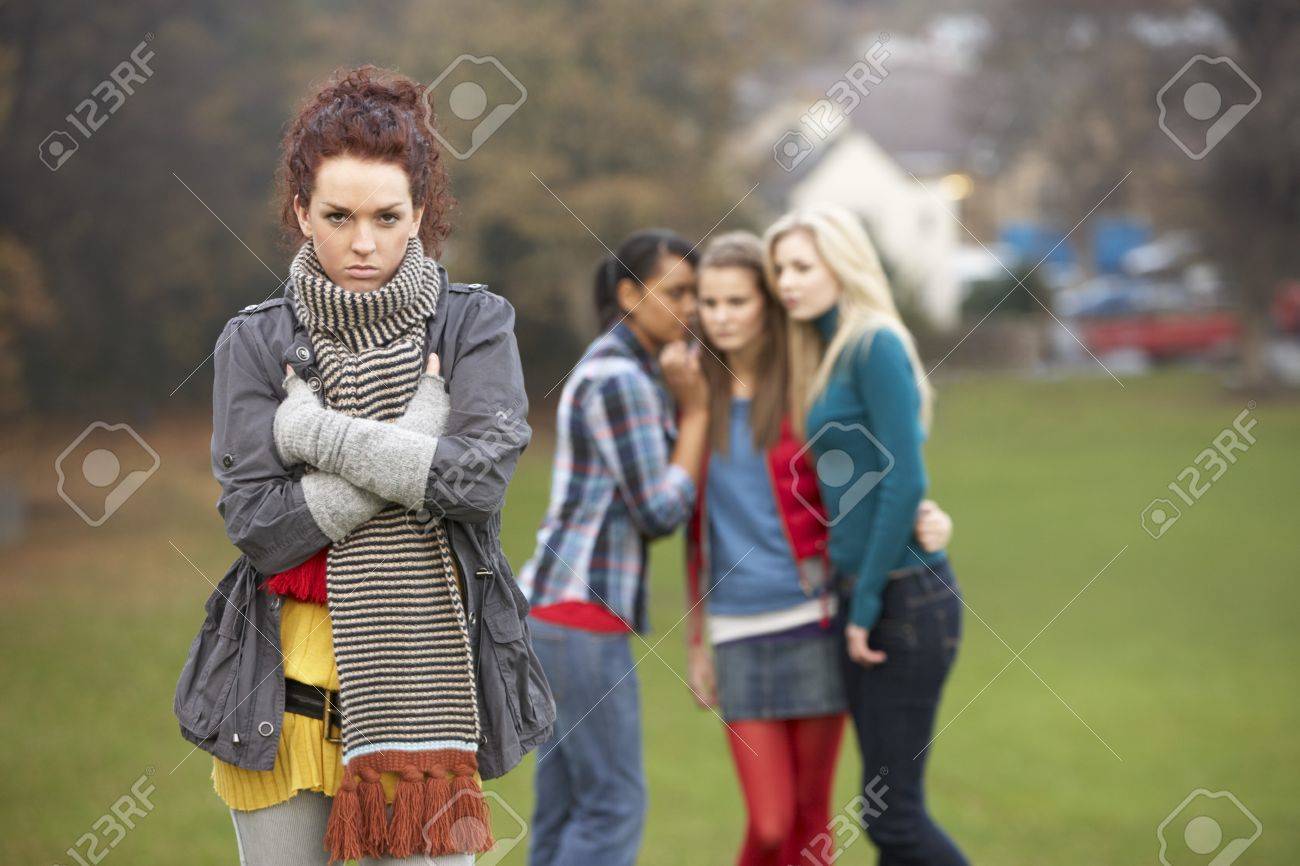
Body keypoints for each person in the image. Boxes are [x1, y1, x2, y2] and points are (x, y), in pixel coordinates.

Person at [173, 65, 553, 866]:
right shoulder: (255, 341)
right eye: (338, 216)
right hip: (275, 705)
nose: (365, 242)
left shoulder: (474, 325)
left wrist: (314, 433)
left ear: (422, 213)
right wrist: (418, 437)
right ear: (301, 212)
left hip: (426, 717)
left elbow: (475, 487)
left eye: (388, 215)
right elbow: (261, 530)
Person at [685, 231, 953, 866]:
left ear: (766, 306)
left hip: (815, 619)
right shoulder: (691, 392)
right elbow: (694, 533)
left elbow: (868, 477)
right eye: (709, 303)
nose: (721, 316)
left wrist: (924, 513)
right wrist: (698, 640)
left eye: (737, 301)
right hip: (737, 629)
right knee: (771, 824)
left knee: (810, 827)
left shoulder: (808, 385)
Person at [765, 204, 969, 865]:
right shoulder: (823, 348)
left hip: (904, 602)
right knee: (889, 819)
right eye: (780, 270)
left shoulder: (873, 341)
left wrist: (869, 604)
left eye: (801, 265)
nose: (787, 281)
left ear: (841, 262)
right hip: (868, 596)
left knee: (894, 821)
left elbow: (905, 482)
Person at [517, 229, 710, 866]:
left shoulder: (622, 369)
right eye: (677, 291)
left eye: (698, 295)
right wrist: (699, 414)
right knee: (614, 806)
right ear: (630, 293)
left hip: (556, 615)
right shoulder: (620, 378)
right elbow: (657, 509)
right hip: (579, 618)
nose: (692, 308)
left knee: (567, 804)